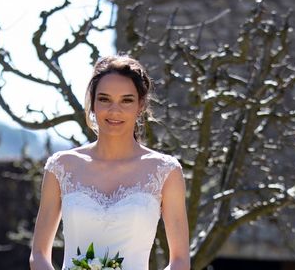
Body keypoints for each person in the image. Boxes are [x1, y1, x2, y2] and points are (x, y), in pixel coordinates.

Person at [29, 54, 190, 270]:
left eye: (126, 100)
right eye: (104, 99)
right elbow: (39, 254)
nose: (115, 111)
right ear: (93, 104)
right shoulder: (61, 167)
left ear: (140, 105)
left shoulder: (165, 171)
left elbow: (180, 260)